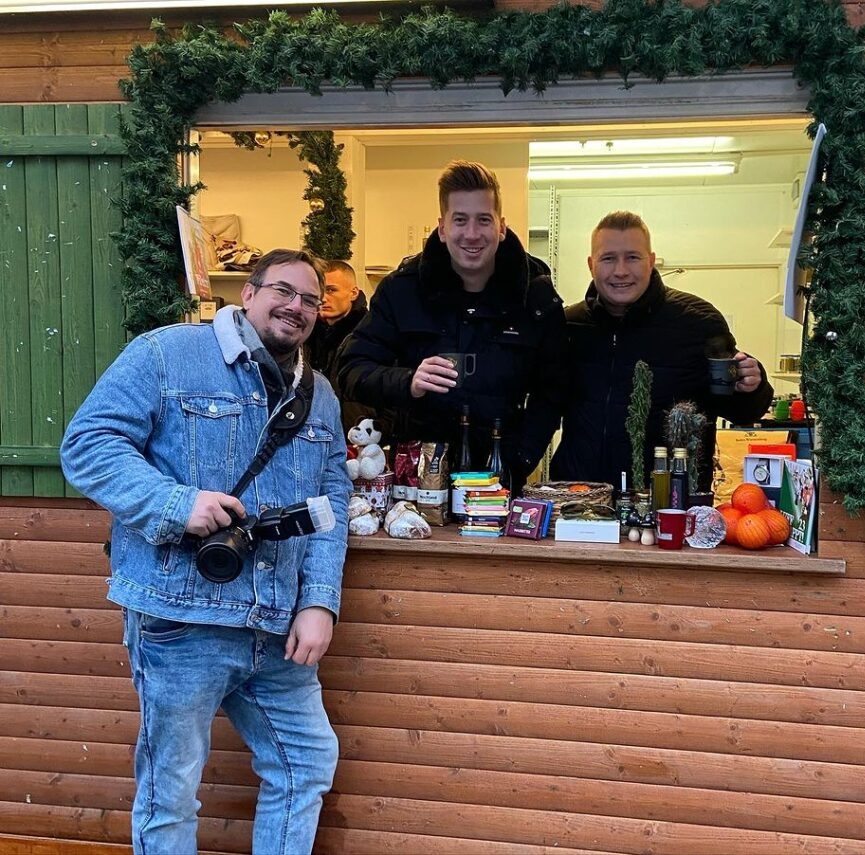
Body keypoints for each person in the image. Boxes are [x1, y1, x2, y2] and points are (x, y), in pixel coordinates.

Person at [60, 248, 352, 855]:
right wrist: (176, 504)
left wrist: (319, 602)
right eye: (283, 291)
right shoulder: (166, 353)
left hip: (277, 627)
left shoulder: (319, 393)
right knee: (171, 791)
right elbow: (88, 444)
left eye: (310, 300)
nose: (295, 307)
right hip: (180, 618)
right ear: (248, 294)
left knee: (306, 764)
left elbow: (331, 498)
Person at [338, 160, 566, 490]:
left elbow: (555, 390)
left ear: (501, 227)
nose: (472, 234)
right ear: (442, 228)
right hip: (417, 480)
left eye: (483, 220)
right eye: (460, 220)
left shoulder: (536, 296)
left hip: (501, 480)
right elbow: (350, 369)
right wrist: (408, 382)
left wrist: (521, 456)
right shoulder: (401, 291)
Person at [550, 211, 774, 492]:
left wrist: (752, 386)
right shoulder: (569, 325)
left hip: (670, 503)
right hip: (582, 500)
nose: (621, 270)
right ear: (591, 264)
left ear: (651, 261)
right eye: (608, 258)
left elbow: (741, 411)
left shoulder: (698, 322)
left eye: (633, 257)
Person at [305, 258, 372, 428]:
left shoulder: (372, 333)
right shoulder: (303, 331)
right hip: (309, 430)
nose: (323, 298)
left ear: (354, 293)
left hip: (358, 436)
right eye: (319, 291)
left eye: (331, 290)